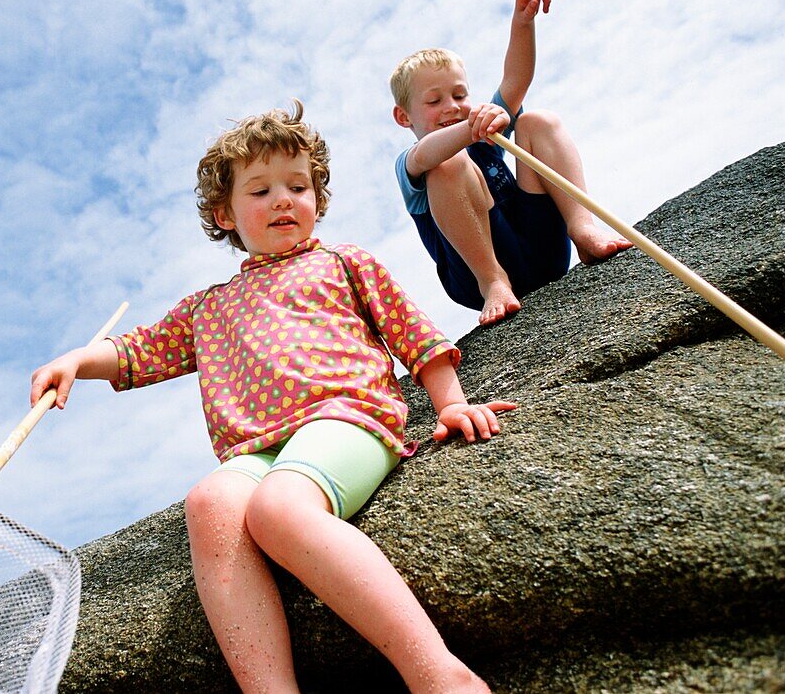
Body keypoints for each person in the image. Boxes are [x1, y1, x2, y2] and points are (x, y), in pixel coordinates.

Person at [30, 100, 515, 693]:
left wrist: (450, 404)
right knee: (209, 504)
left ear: (317, 197)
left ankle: (438, 673)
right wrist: (78, 360)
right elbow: (137, 352)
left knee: (281, 510)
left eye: (298, 185)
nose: (283, 199)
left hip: (346, 418)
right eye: (259, 191)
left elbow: (414, 335)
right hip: (255, 450)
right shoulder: (207, 308)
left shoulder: (343, 262)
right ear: (224, 213)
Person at [391, 0, 632, 326]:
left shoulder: (484, 135)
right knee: (446, 163)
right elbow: (428, 155)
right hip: (474, 278)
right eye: (434, 100)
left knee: (538, 121)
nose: (453, 107)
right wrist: (474, 129)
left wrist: (523, 21)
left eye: (460, 95)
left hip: (541, 250)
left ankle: (582, 228)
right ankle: (495, 281)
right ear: (403, 116)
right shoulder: (410, 164)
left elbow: (516, 81)